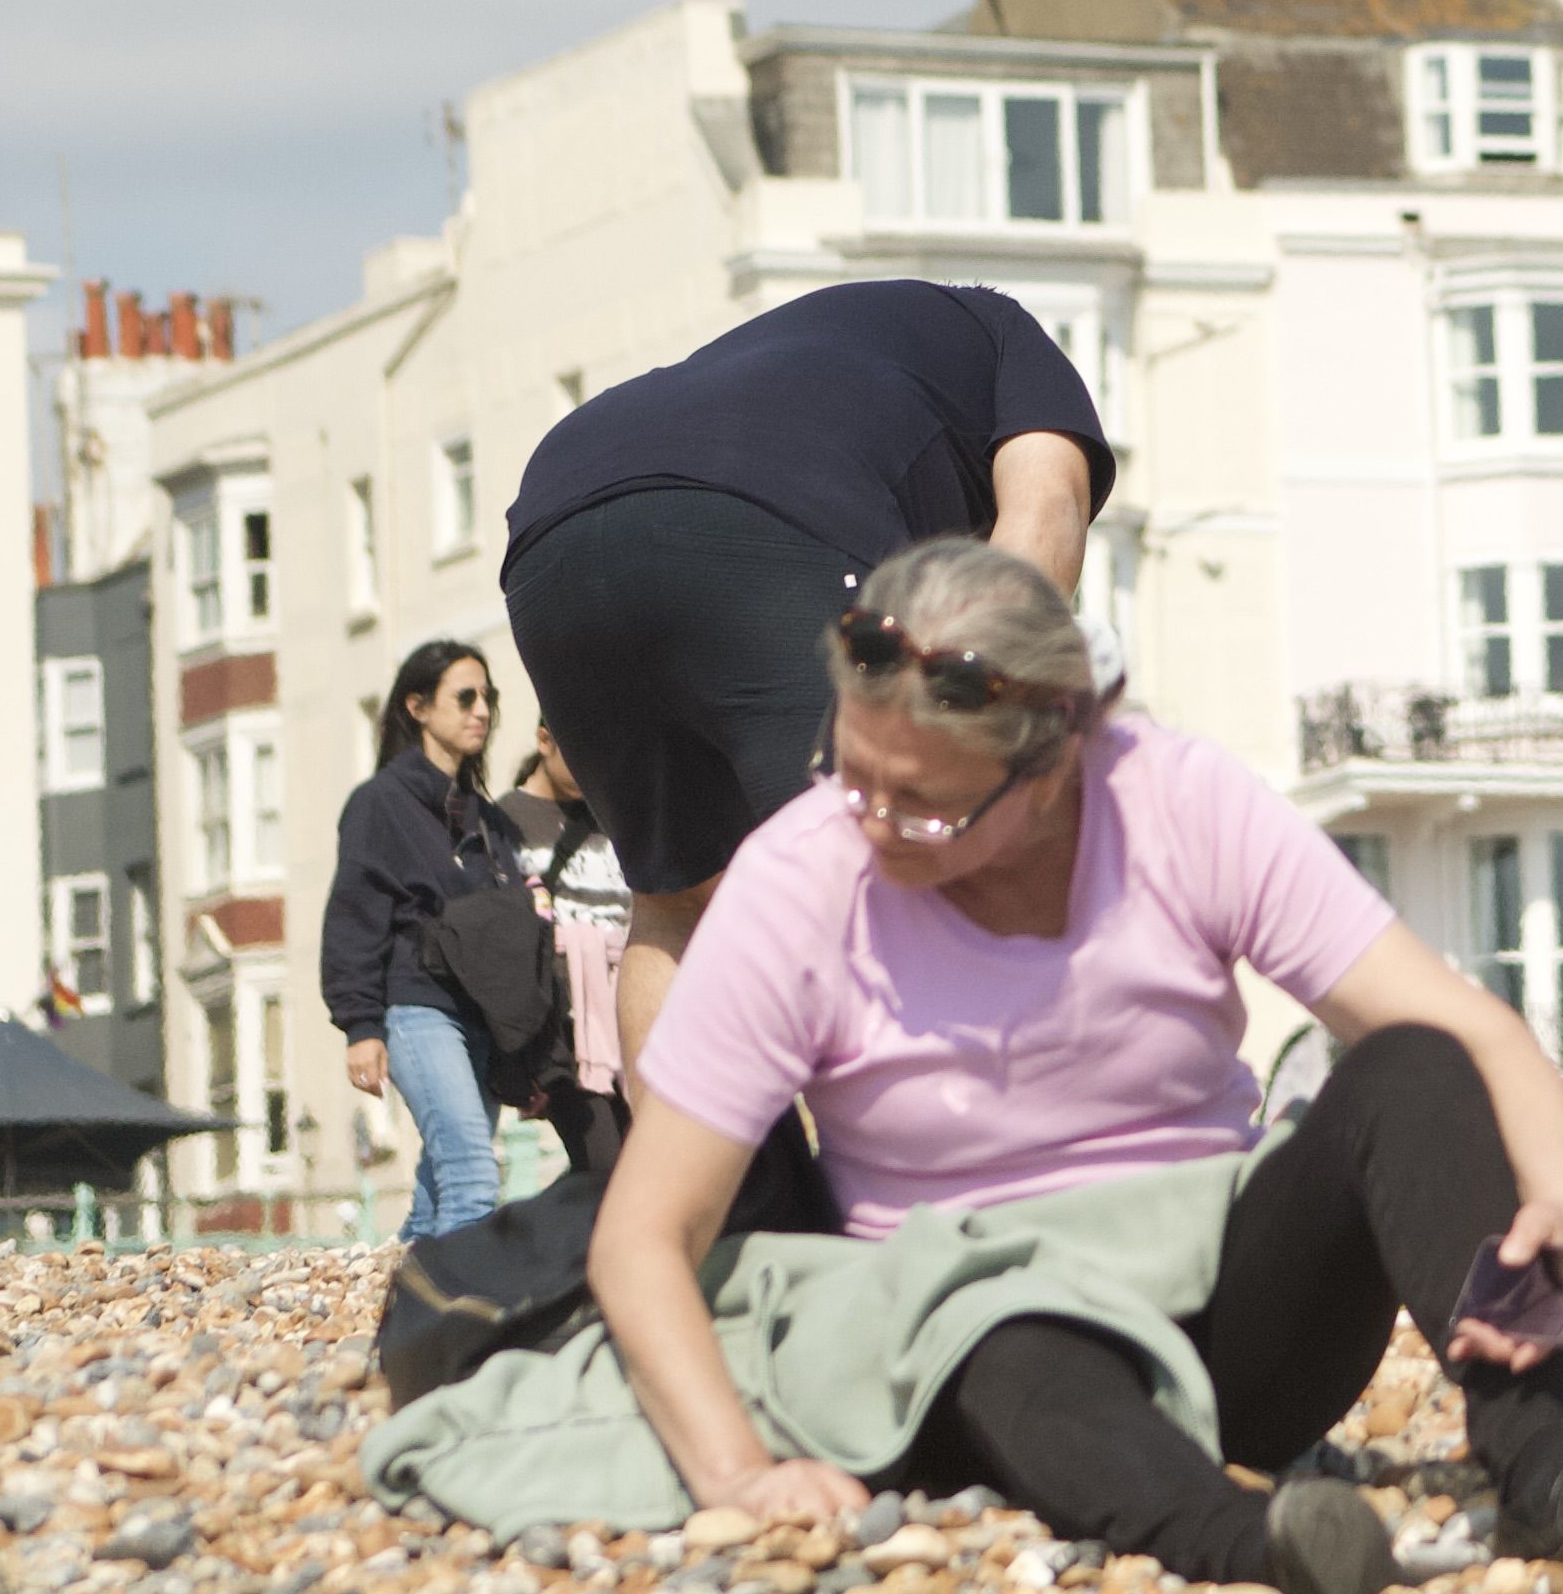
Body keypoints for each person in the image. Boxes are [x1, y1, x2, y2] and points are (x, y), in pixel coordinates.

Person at [581, 540, 1563, 1594]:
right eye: (851, 771)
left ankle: (1553, 1474)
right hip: (975, 1327)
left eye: (920, 804)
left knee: (1413, 1066)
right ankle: (1255, 1550)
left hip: (1224, 1307)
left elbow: (1485, 1040)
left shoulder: (1175, 801)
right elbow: (644, 1236)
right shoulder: (799, 880)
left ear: (1052, 767)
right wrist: (737, 1474)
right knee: (999, 1329)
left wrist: (1552, 1213)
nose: (869, 820)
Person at [501, 280, 1115, 1082]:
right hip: (762, 510)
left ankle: (683, 1202)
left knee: (672, 898)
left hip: (557, 528)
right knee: (872, 861)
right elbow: (1041, 532)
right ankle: (891, 1190)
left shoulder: (844, 353)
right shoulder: (1014, 343)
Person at [324, 641, 529, 1240]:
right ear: (418, 707)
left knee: (440, 1188)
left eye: (488, 697)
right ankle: (470, 1322)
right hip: (417, 1009)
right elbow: (354, 916)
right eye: (465, 698)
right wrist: (361, 1026)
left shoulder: (489, 822)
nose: (481, 711)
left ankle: (396, 1307)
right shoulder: (379, 804)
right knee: (471, 1175)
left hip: (485, 1020)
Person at [498, 735, 635, 1175]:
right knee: (605, 1165)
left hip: (631, 1021)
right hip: (563, 1033)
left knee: (639, 1165)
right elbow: (502, 948)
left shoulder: (616, 815)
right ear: (544, 740)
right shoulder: (505, 820)